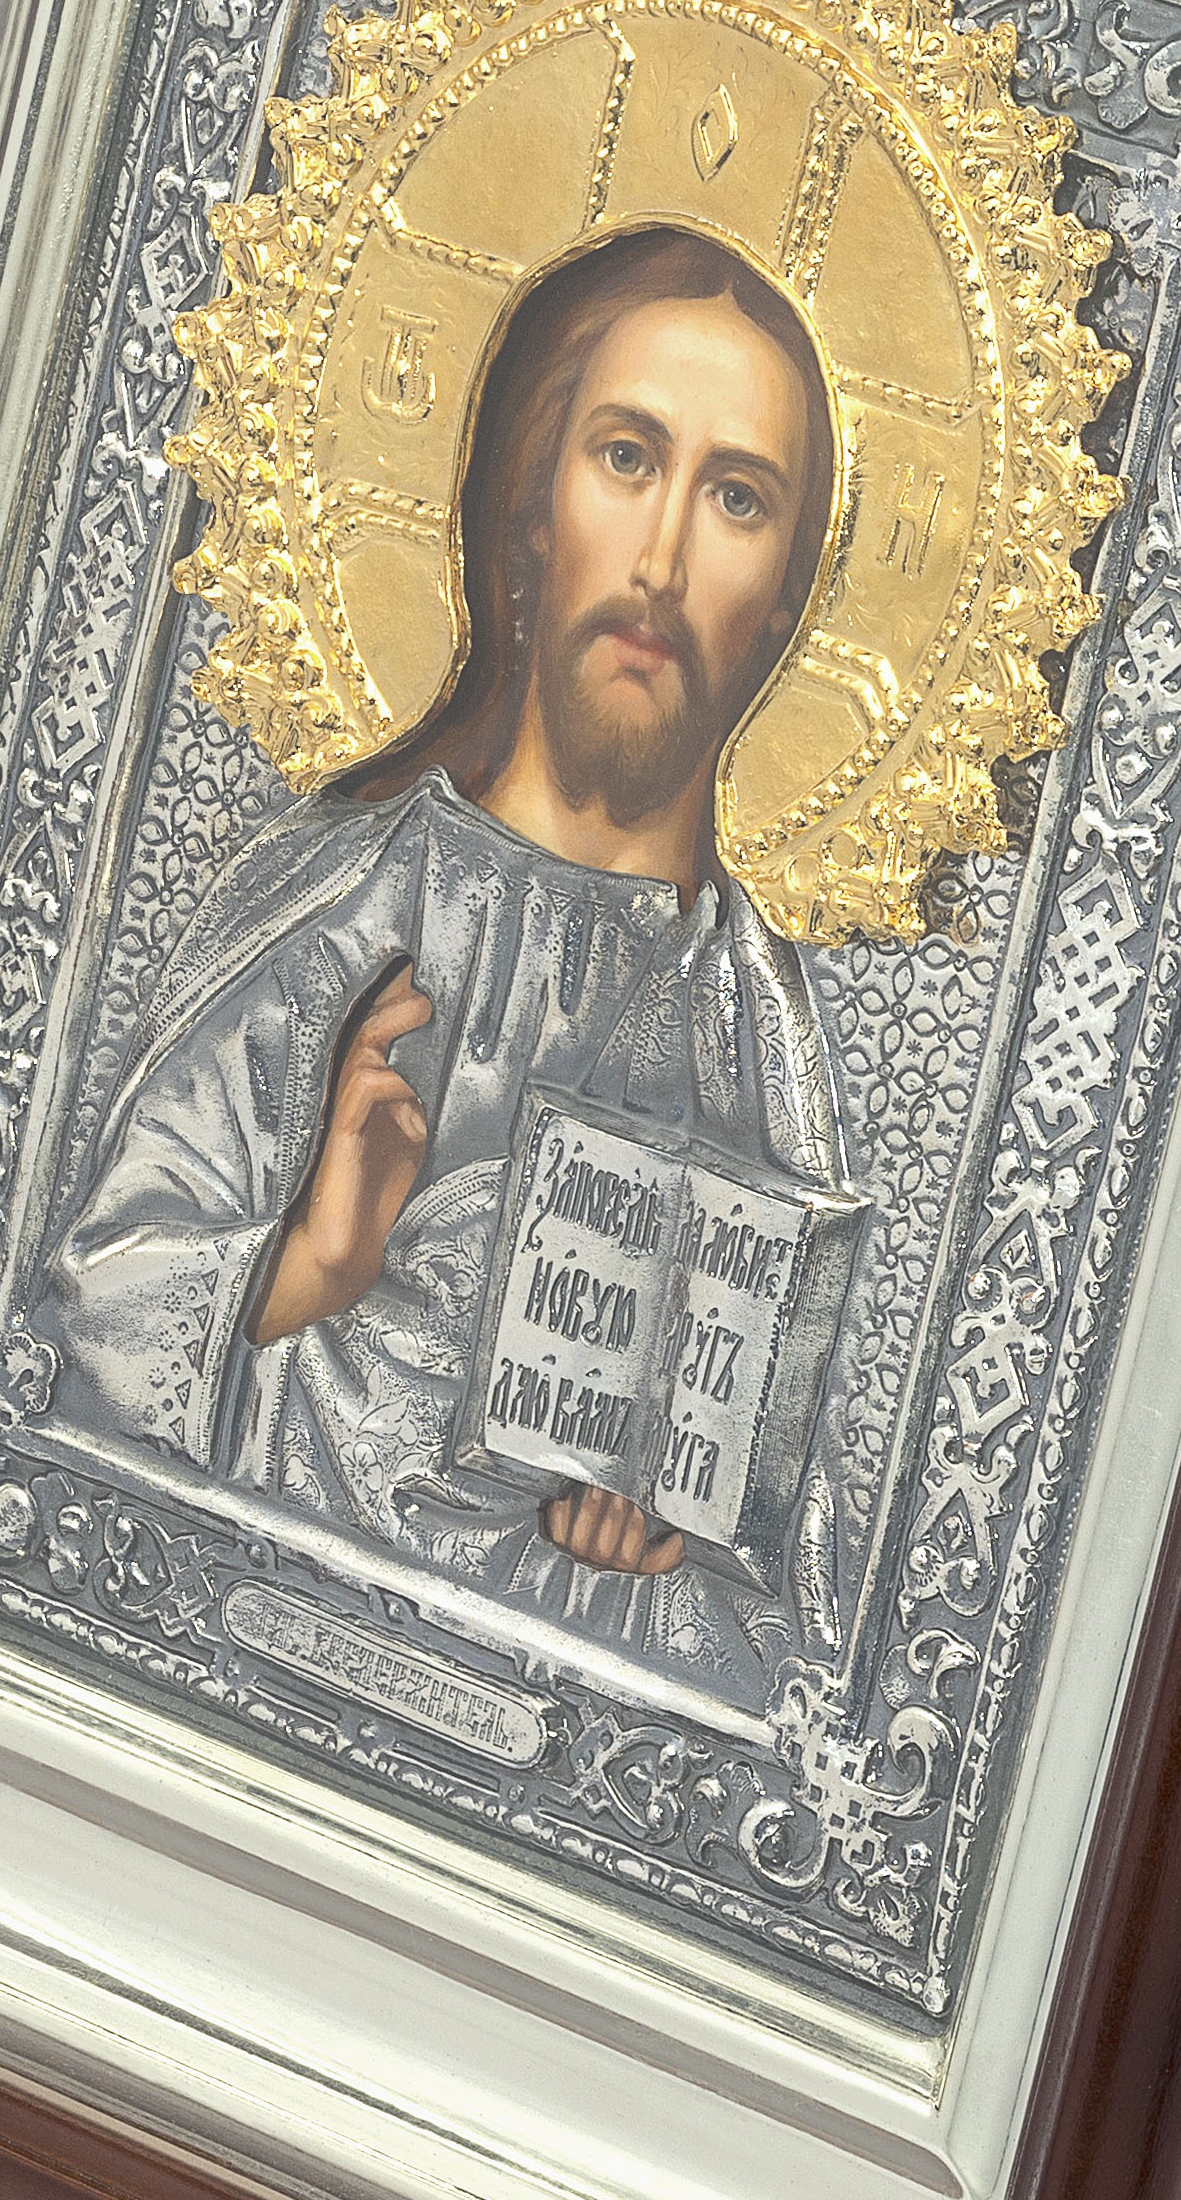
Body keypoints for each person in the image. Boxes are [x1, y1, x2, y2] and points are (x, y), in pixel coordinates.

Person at [43, 223, 851, 1711]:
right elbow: (85, 1319)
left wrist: (669, 1539)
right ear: (532, 501)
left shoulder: (754, 1025)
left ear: (790, 596)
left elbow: (791, 1596)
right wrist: (310, 1265)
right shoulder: (341, 907)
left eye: (736, 497)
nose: (662, 561)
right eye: (626, 458)